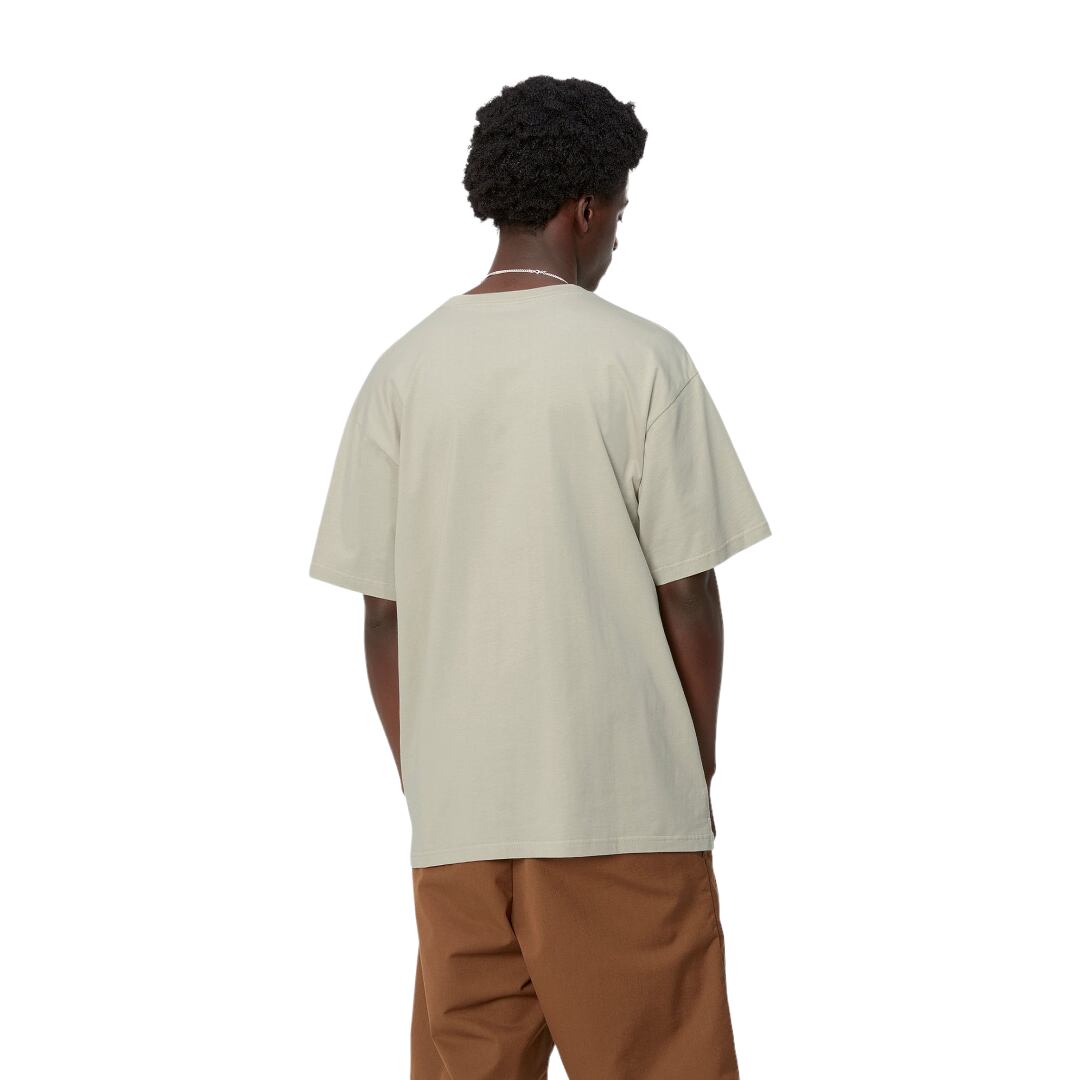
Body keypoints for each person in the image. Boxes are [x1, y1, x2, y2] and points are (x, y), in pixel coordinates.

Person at [310, 74, 771, 1080]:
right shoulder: (641, 361)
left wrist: (427, 775)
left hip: (460, 825)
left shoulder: (402, 372)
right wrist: (692, 763)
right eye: (621, 215)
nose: (616, 241)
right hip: (620, 808)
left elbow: (382, 614)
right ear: (586, 209)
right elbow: (687, 592)